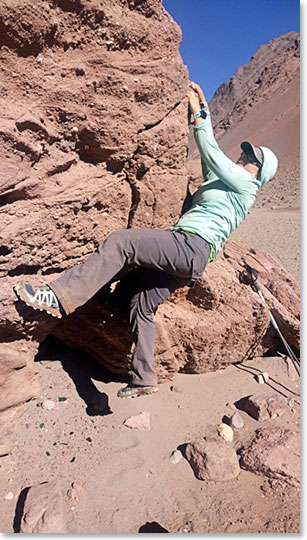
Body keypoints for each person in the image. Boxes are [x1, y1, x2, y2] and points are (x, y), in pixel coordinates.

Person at [14, 82, 278, 398]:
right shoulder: (229, 183)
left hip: (190, 247)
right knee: (141, 304)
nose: (244, 155)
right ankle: (144, 378)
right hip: (191, 261)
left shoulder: (246, 186)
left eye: (250, 156)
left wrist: (200, 118)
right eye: (245, 150)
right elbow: (211, 166)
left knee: (123, 243)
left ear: (258, 172)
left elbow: (213, 155)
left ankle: (59, 297)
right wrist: (202, 113)